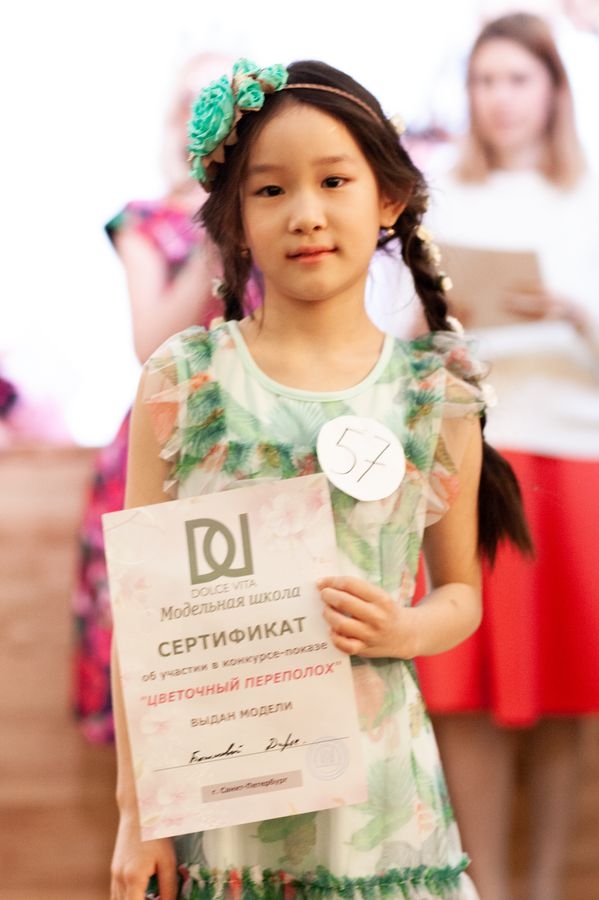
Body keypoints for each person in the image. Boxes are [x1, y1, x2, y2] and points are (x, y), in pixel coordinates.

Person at [108, 57, 532, 900]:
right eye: (269, 190)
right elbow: (140, 622)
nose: (304, 213)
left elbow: (459, 596)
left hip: (382, 804)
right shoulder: (181, 382)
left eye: (333, 181)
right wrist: (135, 813)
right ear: (234, 218)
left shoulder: (434, 395)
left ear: (387, 199)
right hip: (223, 807)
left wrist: (403, 630)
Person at [415, 13, 599, 900]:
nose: (498, 99)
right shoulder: (437, 196)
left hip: (573, 462)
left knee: (563, 693)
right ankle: (482, 889)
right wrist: (437, 327)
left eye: (516, 79)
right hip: (470, 455)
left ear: (553, 91)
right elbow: (396, 336)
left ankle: (546, 886)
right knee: (467, 690)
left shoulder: (588, 197)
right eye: (483, 80)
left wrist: (574, 313)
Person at [72, 52, 261, 744]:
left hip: (259, 444)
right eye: (192, 102)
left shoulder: (277, 210)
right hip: (165, 442)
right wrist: (216, 231)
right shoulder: (146, 221)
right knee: (157, 650)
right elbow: (150, 341)